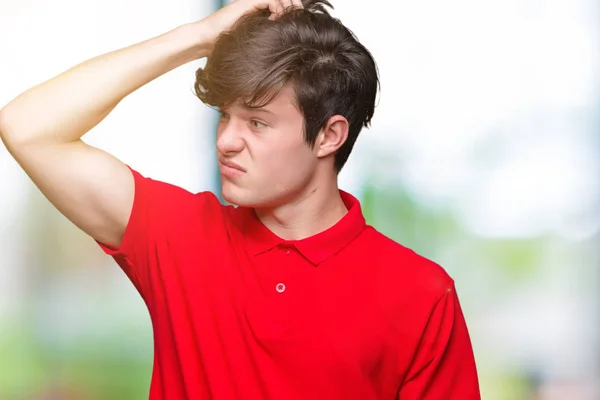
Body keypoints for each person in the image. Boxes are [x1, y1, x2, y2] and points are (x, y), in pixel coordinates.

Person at [0, 0, 480, 398]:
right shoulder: (179, 234)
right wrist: (197, 37)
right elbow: (28, 128)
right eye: (223, 116)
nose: (227, 140)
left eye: (256, 122)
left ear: (329, 136)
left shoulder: (420, 293)